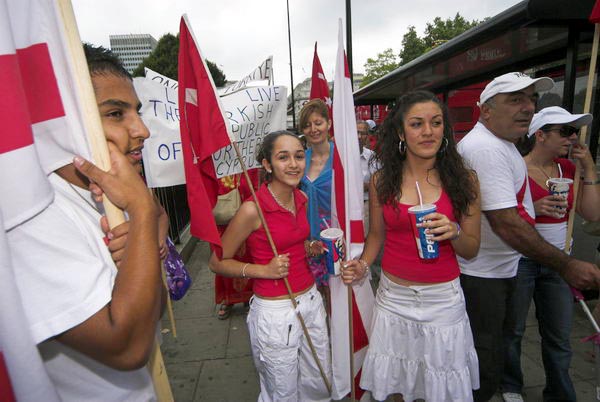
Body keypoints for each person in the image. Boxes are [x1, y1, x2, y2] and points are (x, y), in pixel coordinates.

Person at [7, 45, 167, 400]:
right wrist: (141, 214)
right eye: (115, 113)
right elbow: (125, 347)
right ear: (63, 122)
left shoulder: (110, 193)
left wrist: (149, 230)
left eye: (136, 112)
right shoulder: (32, 216)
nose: (141, 130)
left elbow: (159, 218)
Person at [457, 72, 600, 402]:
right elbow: (507, 223)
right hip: (485, 276)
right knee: (486, 364)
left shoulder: (501, 146)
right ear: (486, 111)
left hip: (498, 270)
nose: (527, 107)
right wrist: (566, 265)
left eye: (531, 99)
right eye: (515, 99)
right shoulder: (487, 150)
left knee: (492, 356)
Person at [344, 90, 482, 402]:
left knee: (436, 388)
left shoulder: (466, 180)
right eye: (417, 124)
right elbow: (376, 237)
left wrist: (454, 231)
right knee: (394, 386)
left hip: (442, 302)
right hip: (393, 299)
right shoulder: (382, 181)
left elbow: (472, 248)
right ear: (400, 132)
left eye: (436, 123)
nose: (428, 131)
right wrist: (362, 264)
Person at [209, 131, 331, 401]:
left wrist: (307, 247)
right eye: (283, 157)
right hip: (276, 312)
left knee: (319, 381)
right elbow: (216, 262)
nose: (293, 164)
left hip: (310, 300)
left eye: (299, 156)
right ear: (267, 164)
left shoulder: (301, 198)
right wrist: (261, 270)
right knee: (282, 390)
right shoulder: (253, 209)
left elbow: (290, 241)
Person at [502, 106, 600, 402]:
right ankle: (510, 385)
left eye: (574, 131)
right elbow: (502, 217)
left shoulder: (568, 170)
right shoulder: (515, 168)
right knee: (514, 329)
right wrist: (533, 209)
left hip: (560, 261)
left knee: (559, 334)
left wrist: (590, 168)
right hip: (522, 260)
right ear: (540, 135)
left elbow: (591, 213)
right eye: (565, 131)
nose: (572, 138)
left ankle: (559, 392)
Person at [299, 99, 334, 287]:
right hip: (307, 240)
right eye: (307, 125)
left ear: (329, 123)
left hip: (336, 237)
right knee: (312, 293)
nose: (313, 129)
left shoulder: (342, 158)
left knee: (337, 295)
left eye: (318, 123)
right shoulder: (299, 160)